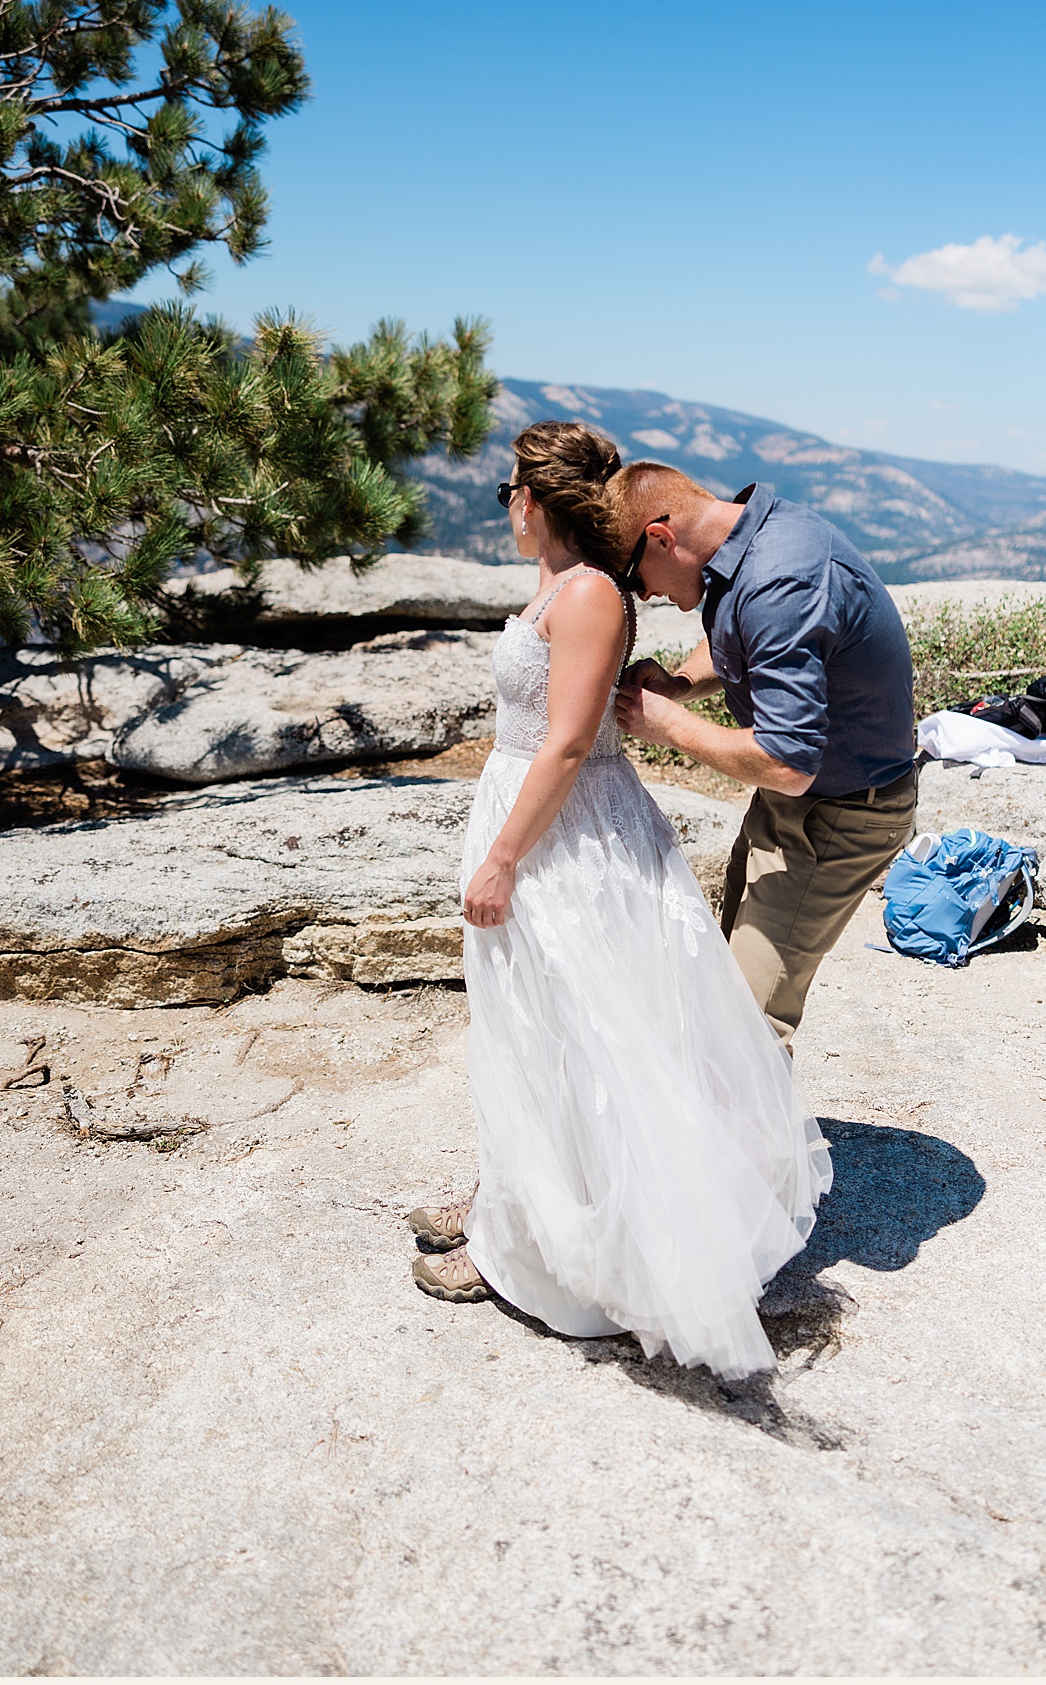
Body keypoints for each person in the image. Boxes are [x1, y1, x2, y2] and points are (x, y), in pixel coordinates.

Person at [403, 422, 831, 1380]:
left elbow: (563, 742)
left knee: (593, 1035)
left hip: (570, 839)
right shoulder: (558, 583)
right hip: (541, 822)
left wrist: (505, 855)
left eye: (508, 489)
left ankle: (568, 1258)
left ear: (537, 498)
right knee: (536, 1032)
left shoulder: (592, 592)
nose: (503, 506)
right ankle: (513, 1212)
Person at [604, 463, 919, 1050]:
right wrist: (680, 683)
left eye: (634, 577)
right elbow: (736, 631)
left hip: (843, 812)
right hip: (802, 798)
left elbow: (787, 762)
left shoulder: (780, 578)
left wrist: (671, 725)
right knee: (723, 983)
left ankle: (758, 1144)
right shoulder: (747, 538)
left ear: (660, 537)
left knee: (747, 1027)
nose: (643, 595)